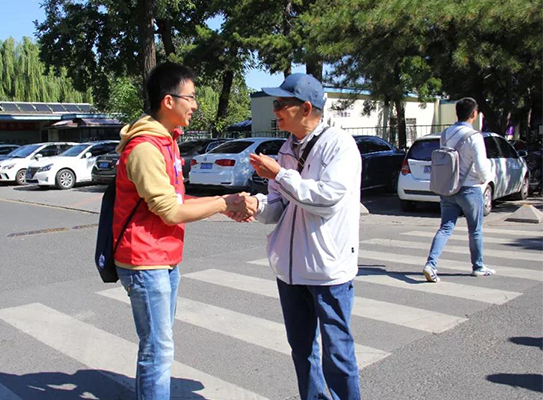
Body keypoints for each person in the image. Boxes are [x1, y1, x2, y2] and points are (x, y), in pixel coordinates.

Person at [112, 61, 246, 400]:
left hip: (163, 258)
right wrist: (223, 203)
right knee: (157, 349)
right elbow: (171, 211)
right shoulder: (145, 148)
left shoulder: (166, 141)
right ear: (168, 101)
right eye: (191, 97)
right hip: (145, 261)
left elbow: (178, 199)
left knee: (158, 345)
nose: (196, 105)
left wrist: (224, 202)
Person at [231, 73, 363, 400]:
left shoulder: (339, 145)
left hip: (327, 269)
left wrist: (279, 174)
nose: (274, 110)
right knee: (302, 351)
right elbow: (280, 204)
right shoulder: (287, 147)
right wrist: (256, 205)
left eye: (280, 104)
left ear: (305, 108)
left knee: (338, 353)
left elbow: (326, 200)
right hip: (290, 269)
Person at [423, 97, 494, 282]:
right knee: (475, 230)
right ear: (474, 114)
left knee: (445, 228)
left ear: (457, 113)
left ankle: (431, 264)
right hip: (470, 189)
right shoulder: (475, 136)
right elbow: (481, 166)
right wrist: (485, 179)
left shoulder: (446, 134)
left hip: (448, 188)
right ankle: (478, 267)